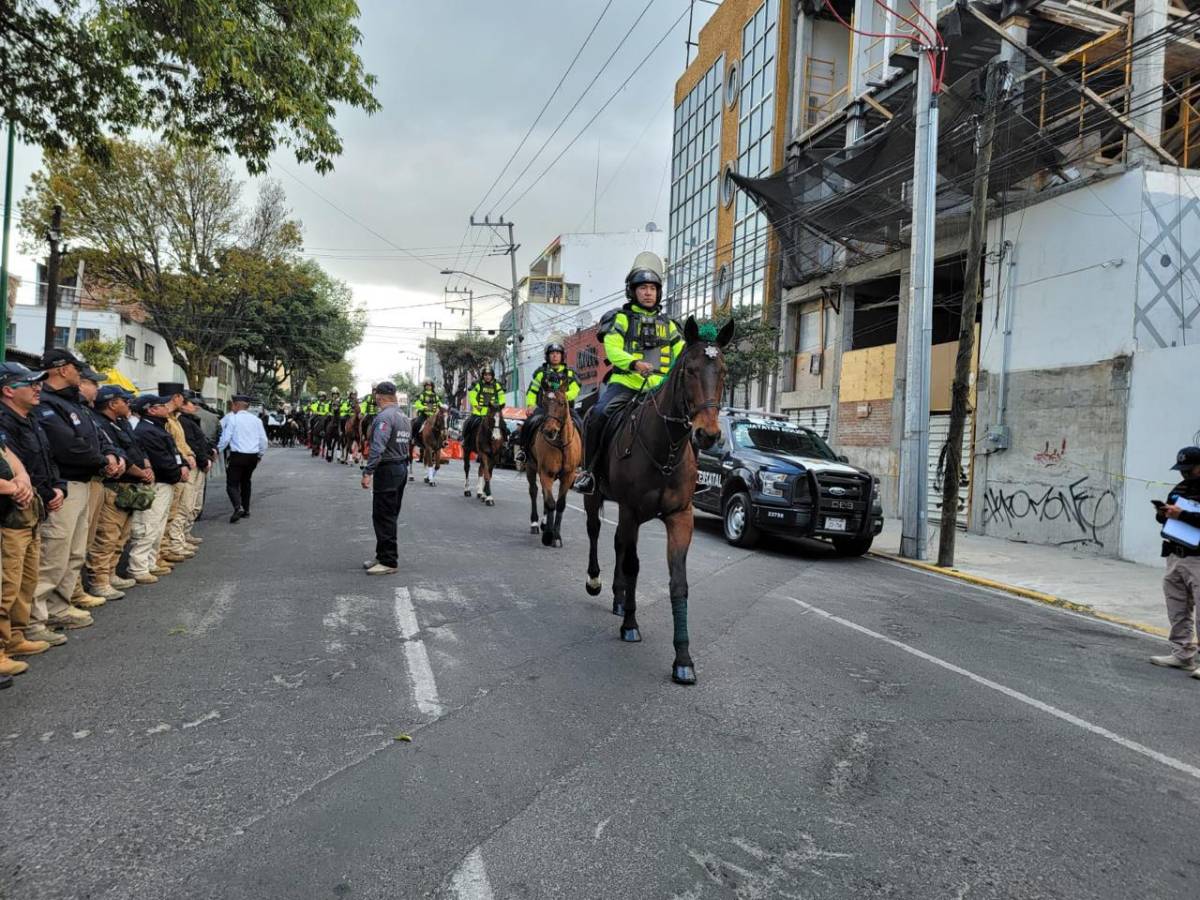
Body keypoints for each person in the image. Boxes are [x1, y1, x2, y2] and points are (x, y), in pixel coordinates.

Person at [572, 261, 684, 493]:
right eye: (642, 288)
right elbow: (612, 349)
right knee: (598, 414)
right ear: (632, 292)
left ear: (659, 292)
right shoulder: (621, 319)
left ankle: (686, 476)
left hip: (659, 389)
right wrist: (634, 363)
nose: (648, 293)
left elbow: (681, 353)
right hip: (626, 384)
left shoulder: (670, 324)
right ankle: (589, 472)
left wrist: (671, 376)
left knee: (688, 422)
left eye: (653, 288)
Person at [33, 349, 124, 630]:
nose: (80, 374)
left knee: (73, 552)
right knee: (54, 552)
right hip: (66, 483)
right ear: (62, 369)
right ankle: (35, 620)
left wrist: (109, 455)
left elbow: (97, 437)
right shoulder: (46, 403)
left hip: (84, 482)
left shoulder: (75, 404)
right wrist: (102, 461)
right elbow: (66, 445)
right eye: (76, 368)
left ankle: (60, 607)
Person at [0, 362, 58, 672]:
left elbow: (19, 459)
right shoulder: (4, 418)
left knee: (25, 579)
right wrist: (12, 486)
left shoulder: (30, 419)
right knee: (6, 584)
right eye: (29, 383)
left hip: (27, 507)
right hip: (8, 514)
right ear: (8, 390)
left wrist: (23, 481)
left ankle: (15, 637)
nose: (38, 388)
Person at [88, 386, 154, 599]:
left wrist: (145, 465)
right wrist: (141, 472)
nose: (128, 404)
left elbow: (135, 448)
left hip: (130, 485)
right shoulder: (101, 423)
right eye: (124, 400)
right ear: (112, 403)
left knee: (121, 535)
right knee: (107, 536)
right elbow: (120, 455)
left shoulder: (121, 422)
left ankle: (111, 572)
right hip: (114, 486)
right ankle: (99, 580)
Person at [1150, 446, 1200, 674]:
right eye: (1182, 470)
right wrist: (1163, 513)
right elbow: (1165, 518)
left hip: (1198, 558)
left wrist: (1183, 515)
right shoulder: (1180, 488)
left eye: (1190, 469)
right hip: (1174, 555)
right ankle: (1182, 654)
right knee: (1177, 608)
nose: (1185, 474)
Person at [128, 395, 184, 583]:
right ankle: (138, 566)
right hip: (157, 483)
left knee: (158, 524)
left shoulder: (157, 428)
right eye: (161, 405)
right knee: (148, 524)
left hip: (166, 481)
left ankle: (150, 561)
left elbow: (172, 454)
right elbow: (161, 460)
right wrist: (176, 472)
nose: (166, 407)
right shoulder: (147, 431)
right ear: (150, 409)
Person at [360, 382, 410, 576]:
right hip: (401, 468)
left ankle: (388, 561)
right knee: (390, 514)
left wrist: (368, 471)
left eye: (376, 397)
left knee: (383, 515)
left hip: (388, 469)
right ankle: (382, 556)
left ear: (379, 397)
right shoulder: (404, 416)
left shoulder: (384, 417)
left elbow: (378, 446)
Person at [156, 382, 196, 564]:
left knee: (176, 511)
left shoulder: (175, 418)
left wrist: (190, 454)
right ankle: (164, 550)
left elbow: (182, 443)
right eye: (182, 396)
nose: (185, 400)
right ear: (176, 397)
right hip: (173, 469)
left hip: (183, 466)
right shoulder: (165, 420)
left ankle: (168, 548)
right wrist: (183, 459)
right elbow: (171, 447)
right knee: (168, 512)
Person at [519, 342, 581, 456]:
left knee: (581, 424)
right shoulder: (541, 372)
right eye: (552, 353)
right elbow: (532, 391)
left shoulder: (570, 373)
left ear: (562, 356)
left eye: (558, 353)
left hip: (565, 409)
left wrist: (563, 397)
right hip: (545, 409)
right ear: (547, 356)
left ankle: (584, 455)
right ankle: (523, 451)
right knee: (528, 423)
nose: (555, 356)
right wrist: (530, 405)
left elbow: (575, 390)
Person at [219, 394, 268, 523]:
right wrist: (260, 455)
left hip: (238, 455)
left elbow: (225, 438)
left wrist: (216, 450)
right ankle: (246, 510)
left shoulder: (233, 419)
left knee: (232, 484)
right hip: (252, 457)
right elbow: (263, 440)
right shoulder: (256, 420)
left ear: (235, 405)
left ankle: (237, 507)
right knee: (246, 482)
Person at [179, 390, 215, 545]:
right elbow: (191, 444)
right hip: (193, 465)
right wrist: (204, 460)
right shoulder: (182, 421)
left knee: (195, 504)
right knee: (186, 504)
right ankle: (178, 539)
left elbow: (201, 441)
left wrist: (209, 452)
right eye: (192, 403)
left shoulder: (191, 420)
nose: (195, 406)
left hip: (200, 464)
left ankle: (185, 533)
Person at [461, 367, 506, 453]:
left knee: (503, 425)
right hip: (479, 412)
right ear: (483, 376)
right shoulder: (479, 384)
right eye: (485, 375)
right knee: (468, 423)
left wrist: (499, 405)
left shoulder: (497, 385)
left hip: (492, 413)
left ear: (492, 376)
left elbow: (501, 397)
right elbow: (472, 395)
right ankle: (465, 441)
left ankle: (504, 443)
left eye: (489, 375)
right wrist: (476, 405)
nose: (487, 377)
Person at [411, 380, 441, 447]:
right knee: (417, 423)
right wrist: (424, 407)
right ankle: (413, 438)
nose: (428, 387)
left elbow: (439, 403)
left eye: (430, 385)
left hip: (433, 415)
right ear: (425, 387)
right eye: (427, 386)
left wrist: (443, 407)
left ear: (432, 387)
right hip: (424, 415)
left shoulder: (435, 396)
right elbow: (417, 404)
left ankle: (443, 441)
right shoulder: (422, 395)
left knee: (442, 425)